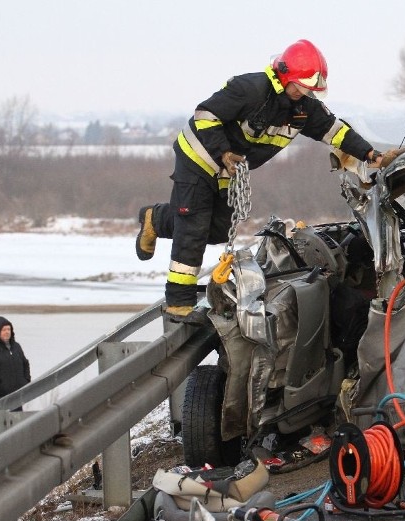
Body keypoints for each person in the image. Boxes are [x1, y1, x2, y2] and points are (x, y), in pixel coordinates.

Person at [136, 39, 390, 325]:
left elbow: (336, 132)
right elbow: (205, 115)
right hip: (199, 158)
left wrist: (371, 154)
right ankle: (178, 302)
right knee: (193, 225)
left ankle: (156, 219)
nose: (304, 93)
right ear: (285, 75)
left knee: (217, 228)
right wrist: (223, 152)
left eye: (310, 89)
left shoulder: (304, 109)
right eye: (301, 86)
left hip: (229, 171)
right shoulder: (251, 89)